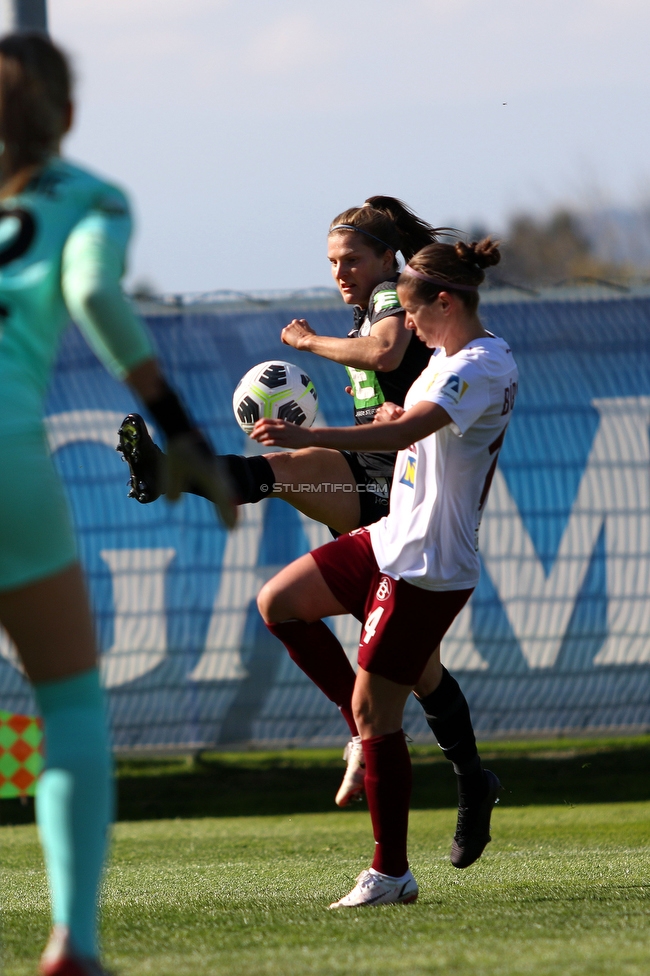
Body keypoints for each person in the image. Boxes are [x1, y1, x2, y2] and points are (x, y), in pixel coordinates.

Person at [117, 200, 488, 819]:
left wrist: (307, 341)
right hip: (380, 477)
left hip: (409, 492)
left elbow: (388, 354)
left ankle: (463, 779)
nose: (341, 272)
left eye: (352, 260)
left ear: (386, 258)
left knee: (419, 667)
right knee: (411, 664)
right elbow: (384, 371)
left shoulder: (392, 301)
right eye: (332, 262)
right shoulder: (369, 308)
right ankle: (454, 772)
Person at [0, 33, 235, 976]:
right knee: (67, 700)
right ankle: (74, 943)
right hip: (7, 460)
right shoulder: (90, 199)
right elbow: (95, 290)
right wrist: (178, 431)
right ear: (67, 117)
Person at [252, 236, 518, 906]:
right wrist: (402, 415)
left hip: (428, 560)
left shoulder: (481, 363)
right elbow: (421, 430)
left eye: (412, 311)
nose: (407, 326)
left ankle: (391, 872)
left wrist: (311, 436)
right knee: (280, 601)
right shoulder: (448, 357)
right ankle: (365, 736)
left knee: (380, 713)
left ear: (445, 301)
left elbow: (408, 434)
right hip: (389, 535)